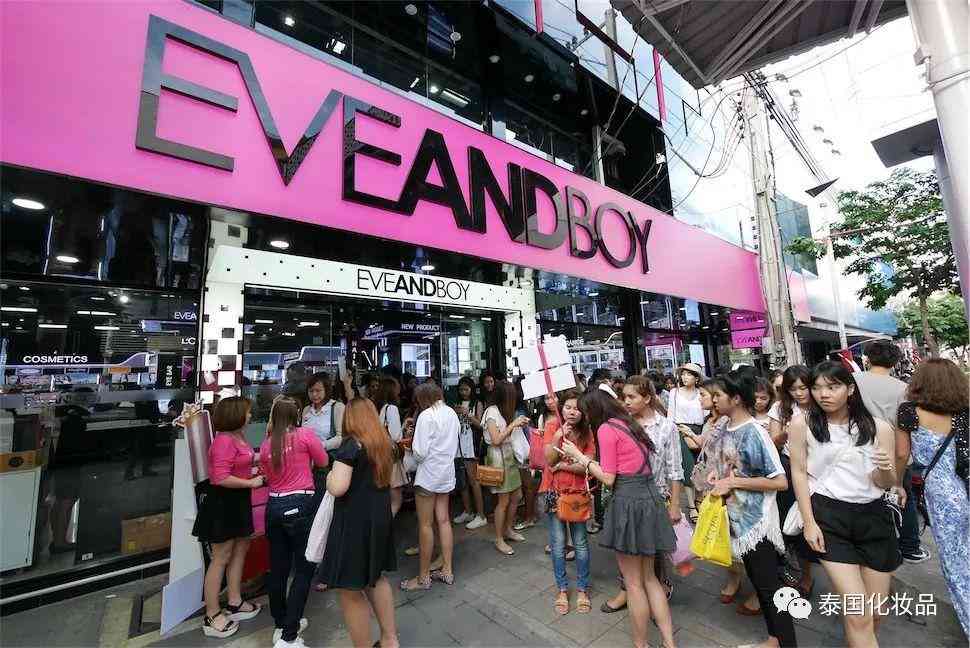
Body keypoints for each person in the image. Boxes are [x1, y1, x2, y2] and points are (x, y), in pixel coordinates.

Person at [789, 362, 900, 648]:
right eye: (817, 388)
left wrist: (886, 469)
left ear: (850, 389)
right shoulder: (803, 424)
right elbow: (798, 473)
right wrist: (809, 522)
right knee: (859, 614)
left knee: (875, 613)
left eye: (832, 386)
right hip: (829, 517)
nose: (823, 394)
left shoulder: (879, 428)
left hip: (874, 518)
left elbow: (885, 483)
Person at [562, 389, 677, 648]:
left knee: (633, 583)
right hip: (650, 499)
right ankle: (669, 643)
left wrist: (580, 457)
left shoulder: (605, 429)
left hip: (628, 502)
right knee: (651, 578)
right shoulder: (628, 422)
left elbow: (608, 478)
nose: (584, 417)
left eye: (585, 411)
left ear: (594, 410)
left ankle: (640, 644)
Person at [702, 371, 796, 648]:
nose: (713, 400)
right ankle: (774, 639)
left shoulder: (755, 432)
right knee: (759, 582)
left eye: (718, 395)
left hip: (757, 523)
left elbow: (779, 481)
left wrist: (733, 482)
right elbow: (728, 466)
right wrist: (718, 476)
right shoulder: (724, 426)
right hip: (736, 519)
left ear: (736, 398)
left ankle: (786, 642)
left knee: (769, 588)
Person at [318, 398, 399, 648]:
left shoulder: (351, 446)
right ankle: (390, 640)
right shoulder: (384, 443)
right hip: (379, 520)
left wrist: (329, 476)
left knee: (350, 590)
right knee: (377, 578)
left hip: (354, 525)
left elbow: (338, 487)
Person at [895, 359, 969, 635]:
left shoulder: (909, 412)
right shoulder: (964, 412)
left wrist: (897, 484)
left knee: (956, 564)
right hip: (964, 484)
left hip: (942, 493)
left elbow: (901, 454)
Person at [602, 376, 684, 614]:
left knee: (653, 551)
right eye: (624, 397)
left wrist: (675, 505)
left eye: (632, 397)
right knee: (627, 549)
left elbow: (675, 469)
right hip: (626, 496)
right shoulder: (622, 424)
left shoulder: (666, 427)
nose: (626, 401)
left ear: (647, 398)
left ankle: (657, 592)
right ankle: (629, 591)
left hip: (656, 496)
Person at [192, 397, 263, 639]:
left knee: (241, 550)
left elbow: (244, 460)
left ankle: (235, 601)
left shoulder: (238, 437)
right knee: (220, 558)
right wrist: (251, 482)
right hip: (222, 505)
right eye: (247, 412)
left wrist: (264, 457)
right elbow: (220, 478)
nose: (250, 416)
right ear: (235, 415)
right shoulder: (223, 441)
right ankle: (212, 614)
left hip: (239, 502)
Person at [259, 397, 328, 648]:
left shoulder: (266, 444)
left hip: (274, 507)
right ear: (296, 415)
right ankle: (289, 635)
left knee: (278, 568)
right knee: (304, 570)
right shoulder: (305, 436)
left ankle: (281, 624)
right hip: (301, 506)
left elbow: (267, 475)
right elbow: (323, 461)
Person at [856, 341, 928, 564]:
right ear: (896, 361)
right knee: (903, 498)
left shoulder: (853, 381)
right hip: (895, 451)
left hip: (860, 449)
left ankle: (872, 546)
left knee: (866, 500)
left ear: (867, 358)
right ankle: (910, 547)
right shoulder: (902, 389)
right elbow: (905, 427)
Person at [400, 383, 460, 591]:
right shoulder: (451, 413)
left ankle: (423, 577)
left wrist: (411, 444)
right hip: (446, 474)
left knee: (425, 525)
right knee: (444, 520)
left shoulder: (426, 416)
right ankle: (447, 570)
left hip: (428, 476)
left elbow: (420, 453)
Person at [540, 389, 593, 615]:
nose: (572, 412)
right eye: (568, 407)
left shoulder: (587, 431)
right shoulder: (552, 425)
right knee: (558, 543)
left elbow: (587, 466)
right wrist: (557, 438)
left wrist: (563, 465)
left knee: (580, 543)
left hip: (577, 494)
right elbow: (549, 460)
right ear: (561, 409)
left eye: (577, 409)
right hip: (554, 492)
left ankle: (582, 589)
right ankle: (562, 589)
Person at [768, 365, 815, 596]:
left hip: (816, 469)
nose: (799, 393)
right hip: (788, 466)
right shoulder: (780, 409)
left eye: (803, 388)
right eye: (793, 389)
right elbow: (772, 443)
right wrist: (786, 434)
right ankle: (792, 569)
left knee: (809, 520)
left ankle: (807, 574)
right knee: (789, 522)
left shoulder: (821, 405)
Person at [482, 381, 529, 555]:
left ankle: (508, 529)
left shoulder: (503, 411)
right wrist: (513, 424)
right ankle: (499, 538)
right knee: (503, 501)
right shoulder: (491, 412)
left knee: (517, 496)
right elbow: (495, 440)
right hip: (498, 458)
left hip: (509, 457)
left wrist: (517, 425)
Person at [668, 363, 706, 522]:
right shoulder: (674, 393)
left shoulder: (702, 393)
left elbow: (707, 413)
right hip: (680, 430)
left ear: (696, 378)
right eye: (683, 374)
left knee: (701, 468)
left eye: (689, 374)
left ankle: (699, 499)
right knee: (688, 468)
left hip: (700, 431)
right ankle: (691, 506)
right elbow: (671, 416)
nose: (684, 377)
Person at [451, 376, 487, 530]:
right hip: (457, 446)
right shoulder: (456, 404)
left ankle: (481, 515)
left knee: (474, 480)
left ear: (472, 389)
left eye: (466, 389)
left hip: (471, 446)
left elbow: (481, 425)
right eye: (461, 389)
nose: (463, 392)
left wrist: (468, 414)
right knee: (462, 481)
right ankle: (468, 511)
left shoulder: (477, 403)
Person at [374, 377, 406, 517]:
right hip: (390, 456)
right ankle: (385, 525)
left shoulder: (376, 407)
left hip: (379, 454)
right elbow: (396, 436)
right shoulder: (391, 408)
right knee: (396, 499)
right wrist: (405, 426)